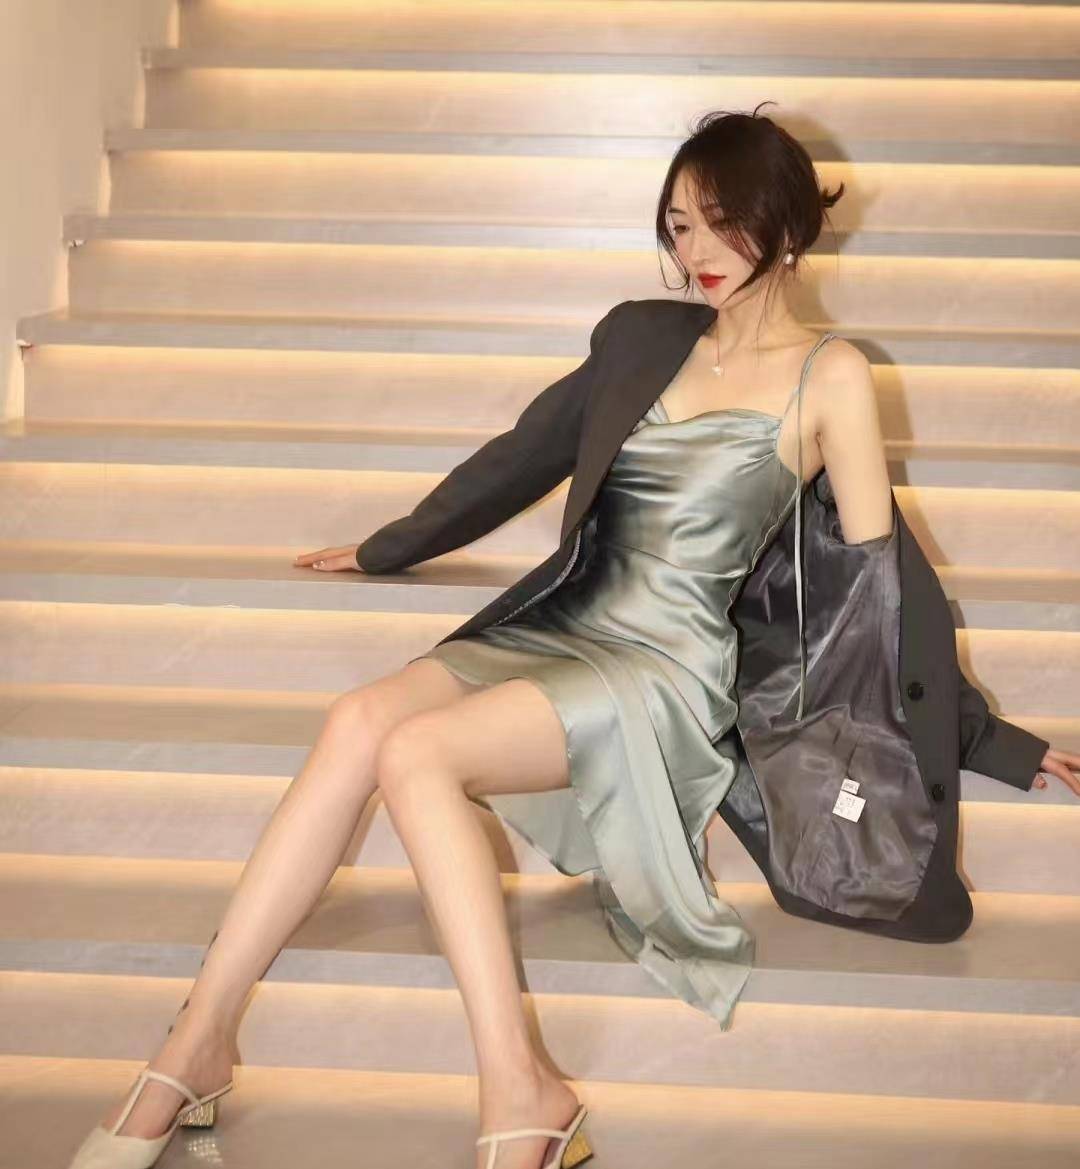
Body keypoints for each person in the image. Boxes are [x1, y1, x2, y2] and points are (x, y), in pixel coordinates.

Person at [67, 104, 1078, 1169]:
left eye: (722, 222)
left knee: (417, 755)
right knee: (359, 717)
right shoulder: (643, 337)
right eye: (680, 225)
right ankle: (198, 1038)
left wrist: (986, 736)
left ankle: (520, 1085)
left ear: (785, 227)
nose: (696, 250)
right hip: (565, 620)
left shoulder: (831, 375)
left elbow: (888, 588)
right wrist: (389, 545)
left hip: (663, 667)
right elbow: (525, 452)